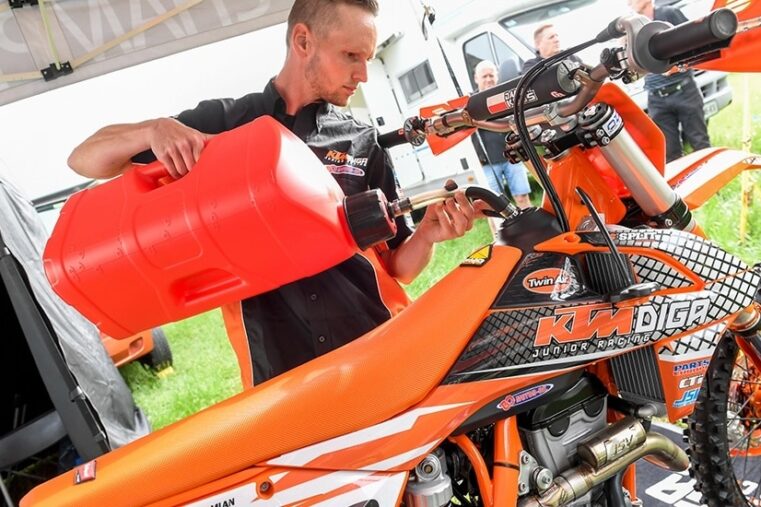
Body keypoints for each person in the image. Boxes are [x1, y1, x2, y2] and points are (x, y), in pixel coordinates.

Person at [67, 0, 483, 387]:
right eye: (351, 56)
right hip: (279, 372)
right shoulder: (219, 127)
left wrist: (427, 235)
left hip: (378, 345)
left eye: (368, 59)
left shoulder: (362, 141)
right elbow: (84, 159)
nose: (363, 75)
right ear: (303, 41)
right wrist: (152, 130)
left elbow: (397, 267)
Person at [629, 0, 710, 162]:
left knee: (700, 144)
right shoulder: (632, 28)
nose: (630, 2)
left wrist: (676, 66)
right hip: (656, 98)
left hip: (684, 91)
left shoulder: (669, 14)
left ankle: (711, 177)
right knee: (669, 154)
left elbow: (695, 42)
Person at [471, 60, 532, 209]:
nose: (488, 79)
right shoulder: (470, 103)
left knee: (522, 197)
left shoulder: (507, 95)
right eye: (484, 76)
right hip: (487, 163)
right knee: (492, 206)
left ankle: (531, 222)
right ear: (476, 79)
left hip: (513, 156)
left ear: (497, 76)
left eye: (491, 75)